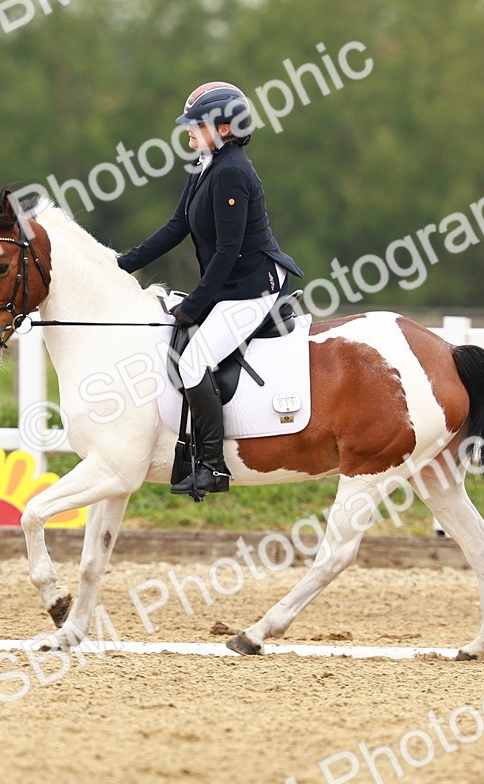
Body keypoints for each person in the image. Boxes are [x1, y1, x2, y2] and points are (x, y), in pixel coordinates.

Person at [117, 81, 304, 497]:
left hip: (254, 288)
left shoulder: (233, 172)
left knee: (193, 362)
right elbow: (177, 226)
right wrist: (120, 265)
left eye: (195, 124)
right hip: (231, 284)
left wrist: (197, 303)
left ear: (222, 128)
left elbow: (228, 250)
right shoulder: (205, 164)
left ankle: (213, 465)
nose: (187, 130)